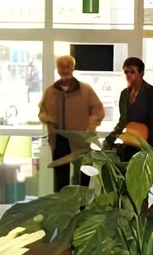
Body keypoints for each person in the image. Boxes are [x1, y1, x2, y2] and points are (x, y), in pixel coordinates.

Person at [38, 54, 105, 191]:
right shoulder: (50, 91)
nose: (65, 69)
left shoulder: (85, 90)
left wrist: (89, 129)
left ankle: (82, 203)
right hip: (59, 141)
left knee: (83, 177)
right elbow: (42, 111)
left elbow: (98, 110)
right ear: (57, 69)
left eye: (68, 66)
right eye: (62, 66)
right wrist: (49, 121)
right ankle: (62, 203)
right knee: (60, 180)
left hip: (81, 140)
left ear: (73, 67)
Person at [105, 56, 153, 162]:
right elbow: (123, 122)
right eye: (126, 72)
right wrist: (110, 139)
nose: (128, 75)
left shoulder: (152, 93)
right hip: (129, 144)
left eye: (132, 72)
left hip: (146, 146)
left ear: (141, 73)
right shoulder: (124, 94)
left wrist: (150, 150)